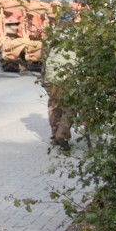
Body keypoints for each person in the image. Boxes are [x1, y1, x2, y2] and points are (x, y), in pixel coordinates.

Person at [42, 22, 75, 151]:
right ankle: (62, 135)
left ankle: (55, 135)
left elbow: (44, 54)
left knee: (54, 106)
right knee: (70, 106)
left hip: (51, 75)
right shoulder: (78, 34)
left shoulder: (51, 34)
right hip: (68, 76)